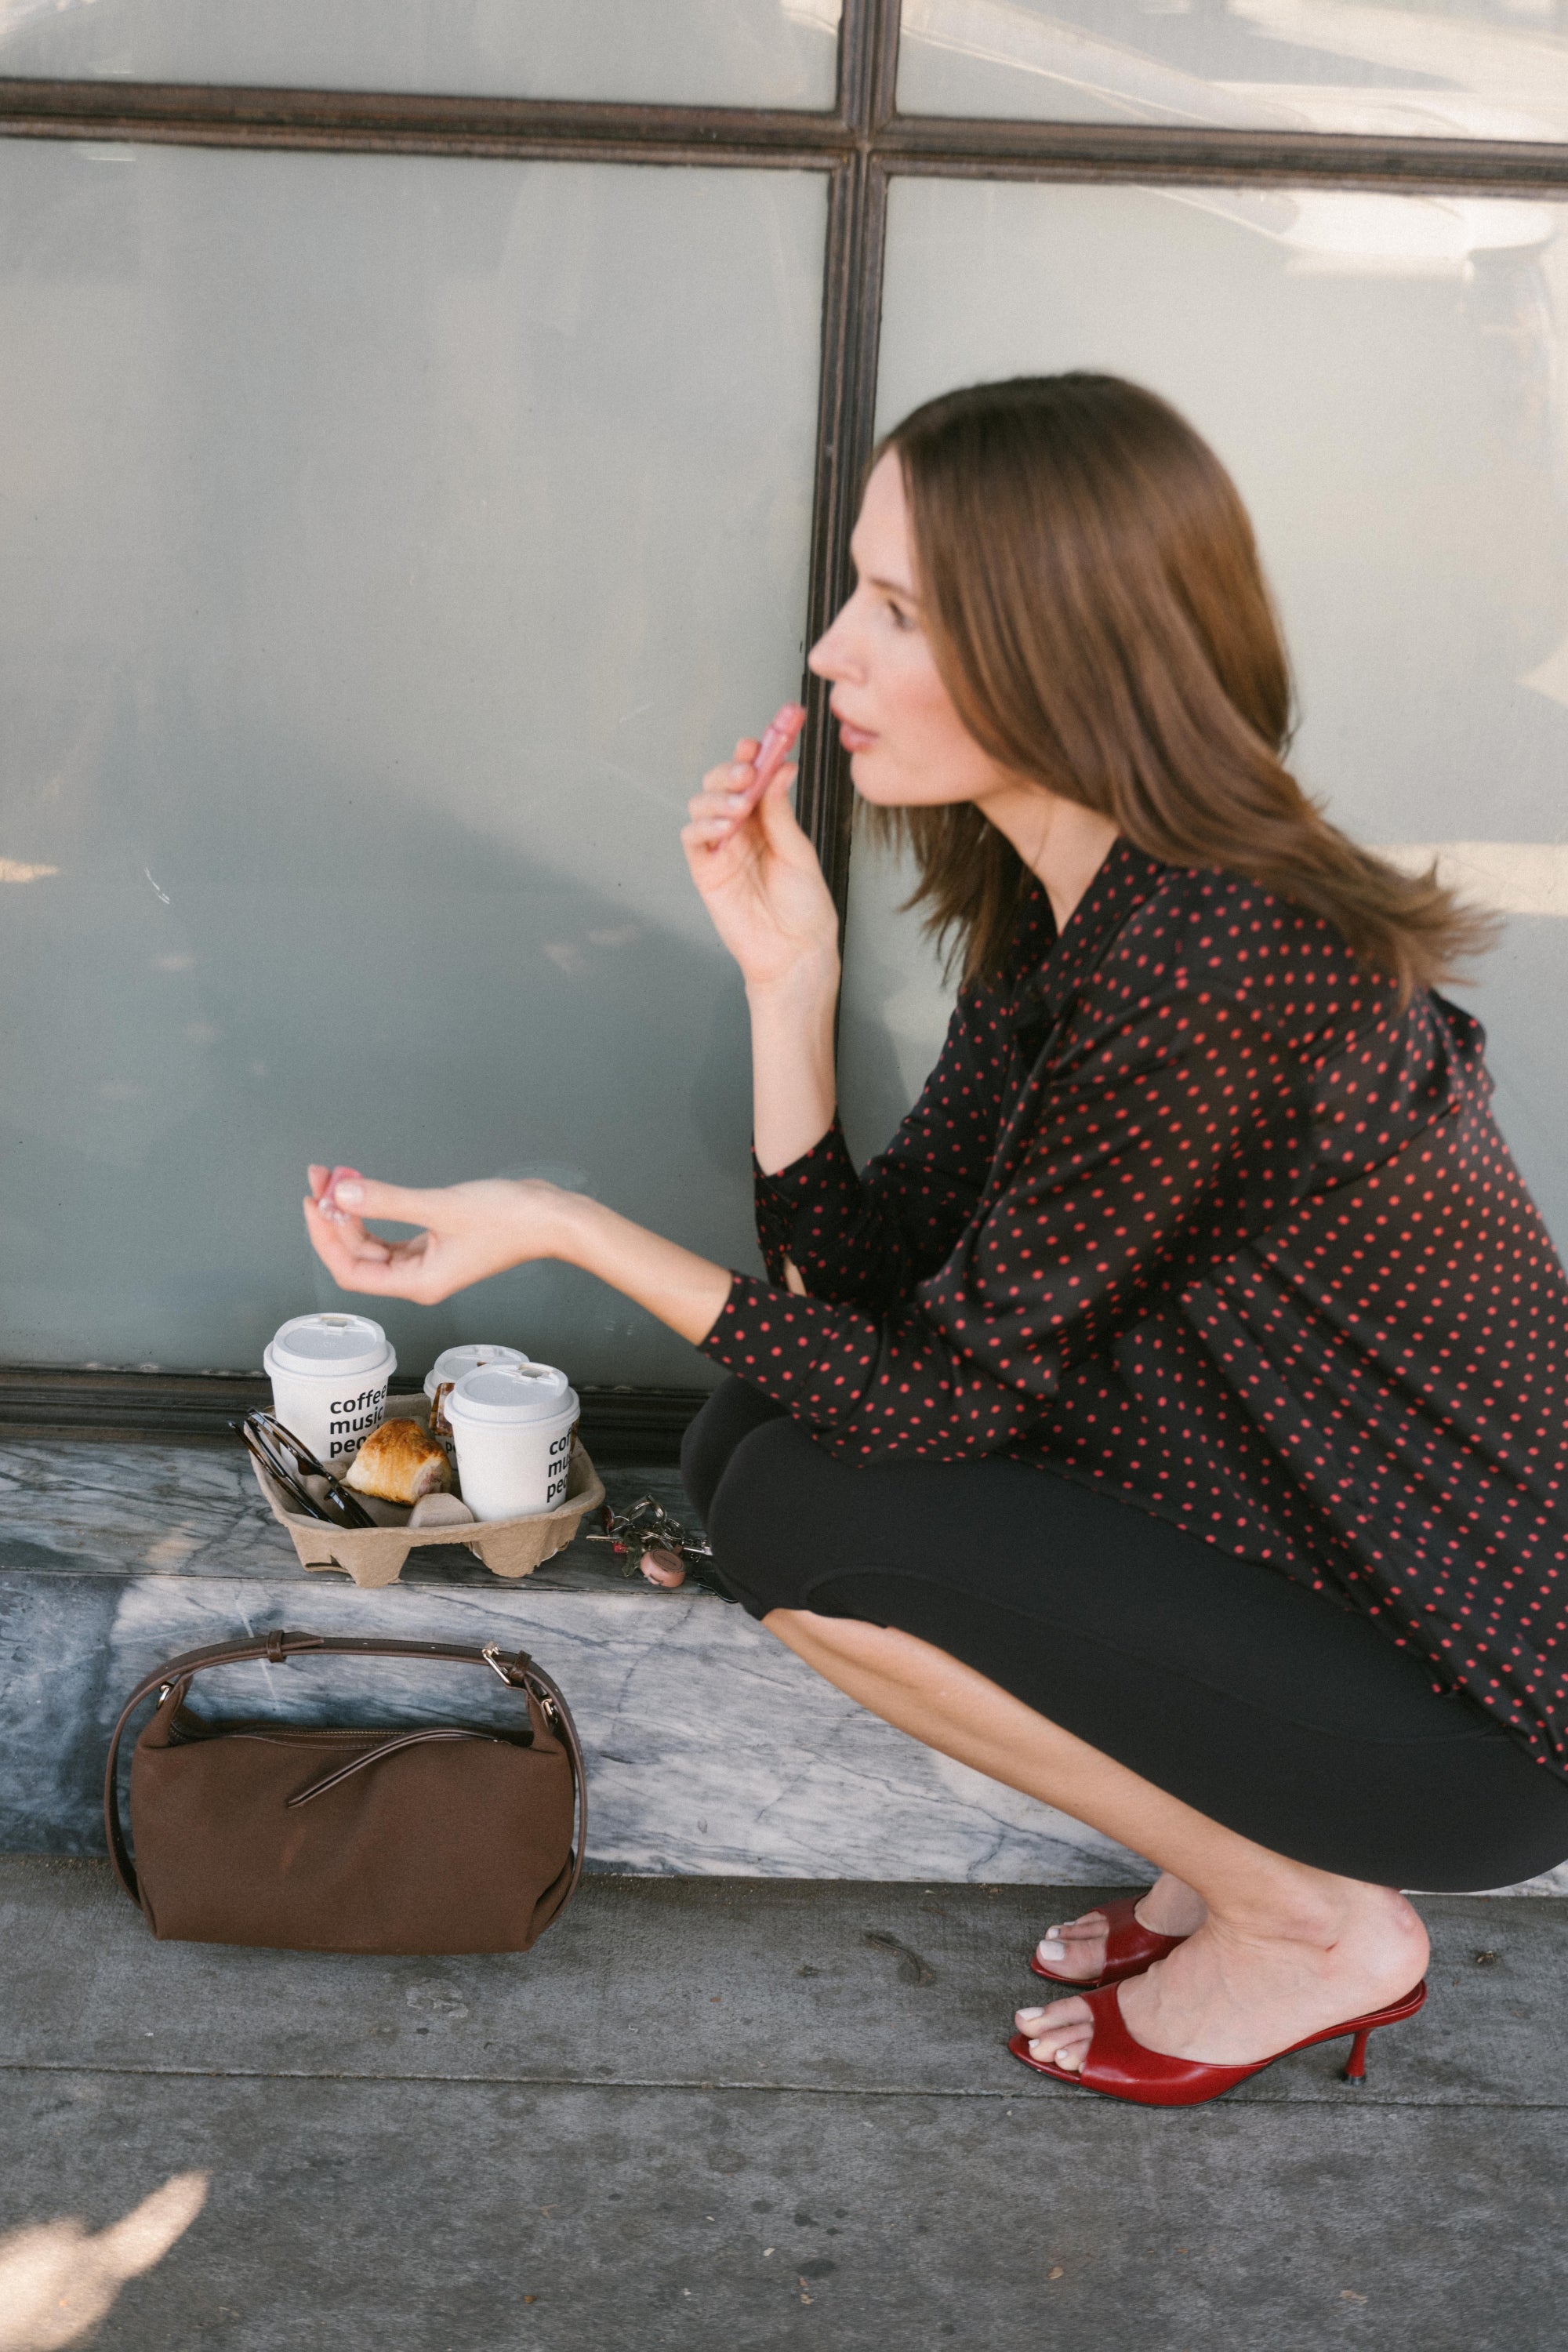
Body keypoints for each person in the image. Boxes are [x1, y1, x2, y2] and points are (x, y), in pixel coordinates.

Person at [303, 373, 1568, 2107]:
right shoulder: (1091, 901)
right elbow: (874, 1308)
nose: (828, 655)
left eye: (894, 611)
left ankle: (1310, 1923)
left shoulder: (1213, 960)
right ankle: (1232, 1855)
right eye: (854, 594)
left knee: (809, 1502)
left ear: (1064, 642)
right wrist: (787, 981)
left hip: (1469, 1696)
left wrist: (568, 1229)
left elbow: (920, 1409)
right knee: (756, 1440)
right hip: (1315, 1573)